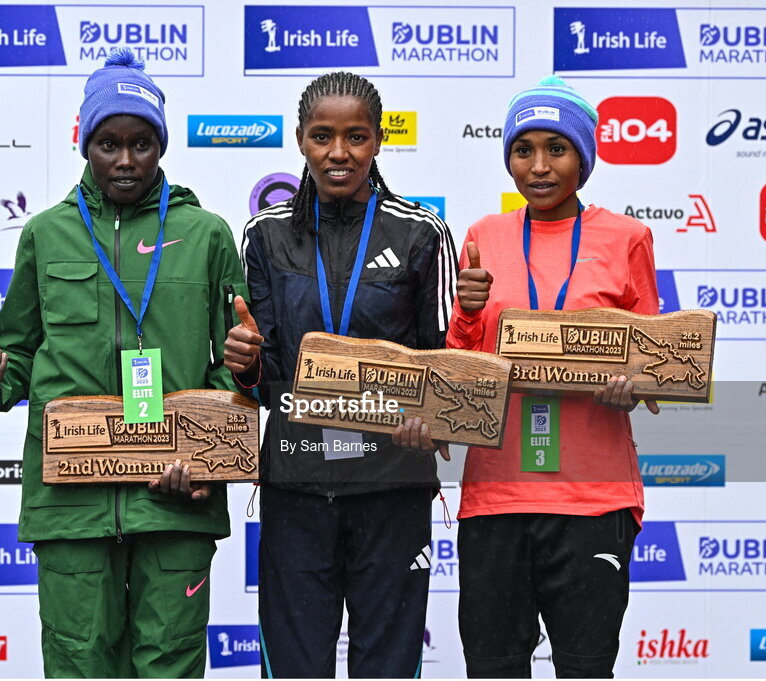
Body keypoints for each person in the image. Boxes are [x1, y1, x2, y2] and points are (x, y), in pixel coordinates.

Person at [0, 49, 248, 678]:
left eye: (141, 143)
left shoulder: (207, 235)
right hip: (71, 505)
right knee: (78, 665)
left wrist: (204, 458)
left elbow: (235, 368)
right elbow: (19, 353)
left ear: (160, 145)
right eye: (109, 143)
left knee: (171, 663)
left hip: (174, 496)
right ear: (85, 143)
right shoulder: (47, 234)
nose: (127, 159)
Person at [223, 71, 457, 678]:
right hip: (298, 483)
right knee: (298, 667)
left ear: (379, 141)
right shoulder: (266, 234)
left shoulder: (420, 233)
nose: (339, 152)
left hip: (392, 486)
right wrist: (248, 366)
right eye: (323, 135)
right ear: (300, 140)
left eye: (356, 136)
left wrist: (431, 420)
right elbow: (268, 378)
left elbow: (444, 361)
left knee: (388, 665)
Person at [448, 75, 661, 679]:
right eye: (524, 149)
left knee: (586, 669)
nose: (539, 166)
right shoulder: (483, 236)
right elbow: (459, 366)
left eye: (557, 148)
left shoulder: (627, 238)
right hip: (497, 496)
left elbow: (656, 361)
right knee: (493, 669)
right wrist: (465, 313)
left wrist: (635, 381)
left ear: (584, 156)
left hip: (593, 498)